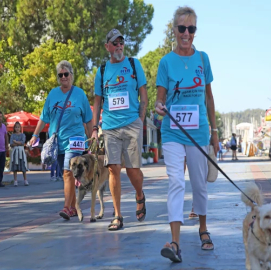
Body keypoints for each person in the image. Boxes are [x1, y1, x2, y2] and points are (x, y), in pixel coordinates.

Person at [154, 6, 218, 262]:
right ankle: (175, 243)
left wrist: (214, 131)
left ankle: (203, 228)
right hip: (172, 131)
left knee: (199, 184)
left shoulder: (203, 59)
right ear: (174, 29)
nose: (186, 33)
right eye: (182, 28)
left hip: (199, 131)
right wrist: (159, 107)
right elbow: (160, 99)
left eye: (191, 29)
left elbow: (209, 97)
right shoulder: (166, 62)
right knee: (176, 183)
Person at [91, 28, 148, 231]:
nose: (119, 46)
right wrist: (95, 128)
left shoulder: (133, 64)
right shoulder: (102, 70)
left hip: (132, 124)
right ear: (107, 47)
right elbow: (97, 102)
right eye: (114, 43)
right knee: (113, 169)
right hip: (110, 127)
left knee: (133, 170)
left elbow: (143, 94)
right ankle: (117, 215)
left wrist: (140, 120)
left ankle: (139, 194)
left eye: (121, 42)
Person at [30, 60, 93, 220]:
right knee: (67, 174)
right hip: (58, 141)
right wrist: (35, 135)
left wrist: (92, 136)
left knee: (68, 172)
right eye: (60, 75)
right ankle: (73, 207)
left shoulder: (80, 94)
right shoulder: (52, 94)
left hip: (76, 139)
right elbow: (44, 117)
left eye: (66, 74)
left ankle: (66, 207)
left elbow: (88, 118)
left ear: (71, 75)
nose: (63, 77)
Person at [10, 121, 28, 186]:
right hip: (15, 152)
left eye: (18, 127)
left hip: (21, 151)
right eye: (16, 127)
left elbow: (23, 143)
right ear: (14, 128)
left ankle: (25, 180)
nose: (17, 129)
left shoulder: (23, 135)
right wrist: (18, 143)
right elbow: (11, 144)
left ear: (20, 128)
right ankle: (15, 181)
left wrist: (16, 142)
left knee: (23, 165)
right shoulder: (12, 135)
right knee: (15, 167)